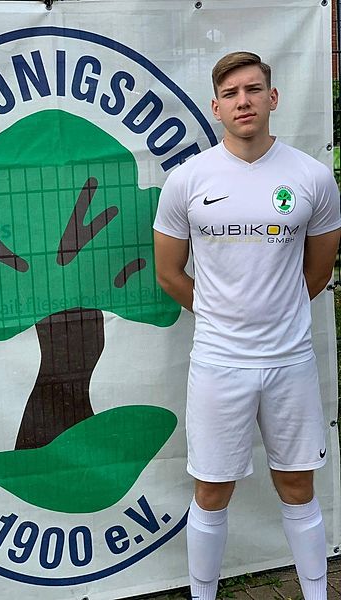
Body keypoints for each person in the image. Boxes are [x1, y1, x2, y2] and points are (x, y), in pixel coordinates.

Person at [153, 51, 341, 600]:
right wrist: (220, 315)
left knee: (298, 487)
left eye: (254, 90)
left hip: (290, 361)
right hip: (219, 363)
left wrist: (275, 313)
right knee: (211, 492)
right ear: (216, 108)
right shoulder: (188, 180)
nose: (244, 101)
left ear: (272, 98)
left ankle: (315, 593)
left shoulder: (311, 177)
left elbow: (318, 270)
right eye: (231, 94)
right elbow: (168, 273)